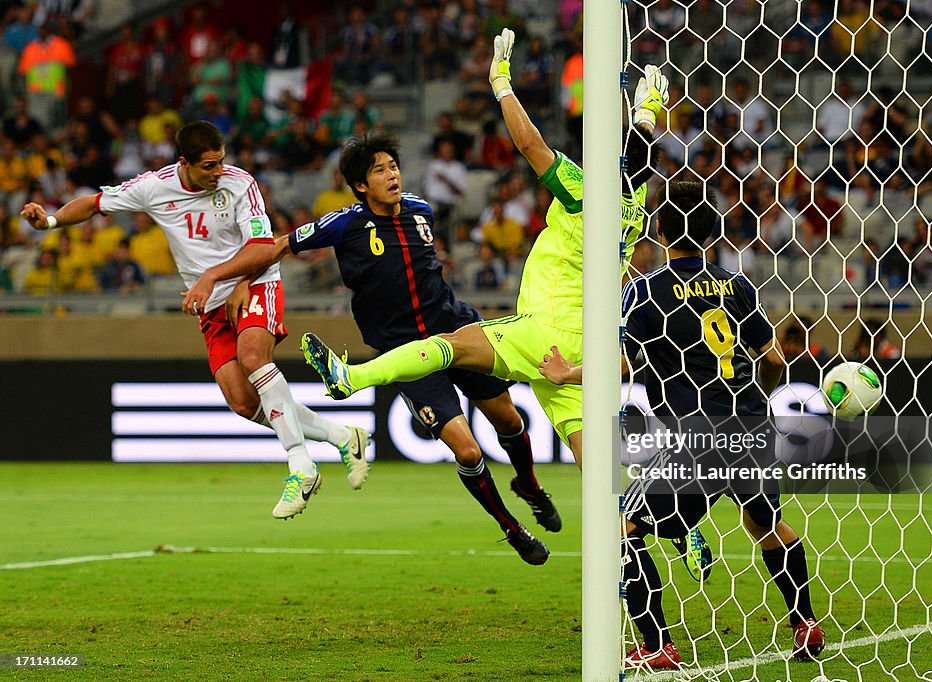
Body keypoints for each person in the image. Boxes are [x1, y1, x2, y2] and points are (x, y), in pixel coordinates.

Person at [299, 29, 666, 468]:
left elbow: (530, 144)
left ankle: (352, 377)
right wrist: (649, 109)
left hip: (545, 331)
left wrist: (502, 84)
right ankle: (664, 525)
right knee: (597, 472)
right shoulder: (637, 200)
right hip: (586, 346)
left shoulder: (583, 190)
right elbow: (638, 156)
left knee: (449, 346)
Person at [218, 130, 558, 565]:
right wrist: (244, 281)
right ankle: (511, 528)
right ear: (361, 184)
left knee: (508, 419)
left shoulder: (420, 210)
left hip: (455, 330)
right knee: (468, 451)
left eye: (393, 166)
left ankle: (528, 484)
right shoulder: (343, 224)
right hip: (406, 352)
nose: (392, 174)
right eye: (379, 170)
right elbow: (281, 245)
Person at [539, 180, 825, 669]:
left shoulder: (645, 289)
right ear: (713, 232)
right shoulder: (738, 284)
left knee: (620, 526)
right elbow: (774, 355)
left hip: (697, 435)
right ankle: (806, 625)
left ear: (659, 232)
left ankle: (655, 645)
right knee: (766, 525)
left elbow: (624, 363)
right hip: (752, 424)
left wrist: (569, 374)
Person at [20, 121, 368, 520]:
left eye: (220, 161)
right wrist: (48, 222)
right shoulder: (154, 186)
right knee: (242, 401)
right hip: (211, 304)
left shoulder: (240, 184)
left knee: (254, 358)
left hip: (254, 283)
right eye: (208, 165)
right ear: (183, 163)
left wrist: (216, 277)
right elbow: (94, 203)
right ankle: (344, 436)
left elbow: (263, 247)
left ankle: (300, 466)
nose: (218, 171)